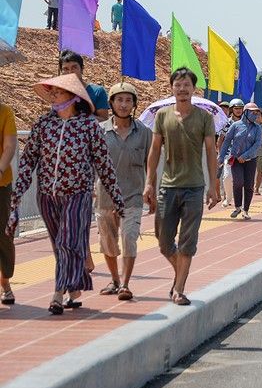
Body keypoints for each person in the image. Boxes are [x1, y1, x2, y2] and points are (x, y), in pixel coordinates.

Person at [6, 74, 124, 314]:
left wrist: (118, 199)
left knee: (67, 241)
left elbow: (104, 164)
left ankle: (58, 293)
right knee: (60, 246)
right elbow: (28, 161)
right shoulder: (43, 124)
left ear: (72, 97)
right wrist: (17, 195)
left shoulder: (89, 126)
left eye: (57, 92)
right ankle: (74, 288)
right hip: (47, 196)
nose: (52, 96)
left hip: (78, 195)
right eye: (51, 92)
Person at [143, 67, 219, 306]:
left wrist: (213, 186)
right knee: (163, 241)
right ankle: (180, 274)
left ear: (193, 88)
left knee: (188, 241)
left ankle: (179, 289)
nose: (183, 89)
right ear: (172, 88)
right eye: (178, 84)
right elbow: (154, 150)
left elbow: (210, 151)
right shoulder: (162, 116)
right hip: (168, 187)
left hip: (194, 188)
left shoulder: (204, 117)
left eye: (187, 85)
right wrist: (149, 184)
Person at [96, 83, 152, 300]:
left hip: (133, 196)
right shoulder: (100, 131)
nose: (123, 104)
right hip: (105, 195)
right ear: (111, 103)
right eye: (119, 100)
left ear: (134, 104)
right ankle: (115, 279)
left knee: (129, 238)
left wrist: (151, 189)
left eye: (128, 100)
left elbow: (151, 163)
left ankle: (125, 284)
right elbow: (92, 162)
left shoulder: (144, 133)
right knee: (108, 241)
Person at [219, 103, 262, 220]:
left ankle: (246, 210)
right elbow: (227, 141)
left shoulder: (257, 128)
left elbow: (257, 143)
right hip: (236, 160)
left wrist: (245, 155)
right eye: (253, 112)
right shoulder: (235, 126)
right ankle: (237, 207)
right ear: (246, 112)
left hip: (250, 160)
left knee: (248, 185)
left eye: (256, 113)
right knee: (238, 182)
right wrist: (221, 157)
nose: (255, 115)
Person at [59, 50, 110, 122]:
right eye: (66, 69)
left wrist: (83, 116)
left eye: (74, 67)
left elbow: (104, 121)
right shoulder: (58, 94)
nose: (70, 72)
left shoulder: (97, 92)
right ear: (61, 72)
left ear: (82, 68)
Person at [0, 100, 18, 305]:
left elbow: (10, 145)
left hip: (1, 184)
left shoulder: (4, 111)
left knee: (4, 234)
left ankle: (5, 282)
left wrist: (0, 169)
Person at [217, 99, 244, 207]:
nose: (238, 111)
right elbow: (221, 139)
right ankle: (228, 198)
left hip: (243, 155)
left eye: (240, 108)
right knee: (227, 177)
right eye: (236, 108)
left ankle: (241, 202)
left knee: (240, 181)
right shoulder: (227, 123)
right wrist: (220, 154)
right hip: (229, 154)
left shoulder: (246, 122)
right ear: (232, 109)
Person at [215, 101, 230, 201]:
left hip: (228, 152)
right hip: (215, 151)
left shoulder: (230, 123)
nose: (224, 110)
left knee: (226, 175)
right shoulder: (214, 121)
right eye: (221, 108)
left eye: (226, 108)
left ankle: (226, 196)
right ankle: (218, 195)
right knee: (216, 175)